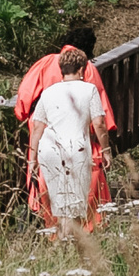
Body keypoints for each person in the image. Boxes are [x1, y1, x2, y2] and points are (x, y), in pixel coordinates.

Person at [13, 25, 116, 228]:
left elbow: (23, 102)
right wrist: (104, 147)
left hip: (45, 140)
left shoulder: (44, 63)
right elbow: (101, 120)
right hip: (78, 143)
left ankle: (55, 235)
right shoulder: (87, 70)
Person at [26, 48, 107, 241]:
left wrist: (32, 158)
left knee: (60, 207)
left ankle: (60, 248)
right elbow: (99, 124)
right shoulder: (89, 90)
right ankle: (68, 248)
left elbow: (37, 128)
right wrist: (106, 149)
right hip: (76, 151)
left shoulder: (48, 92)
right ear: (82, 69)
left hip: (49, 152)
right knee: (75, 208)